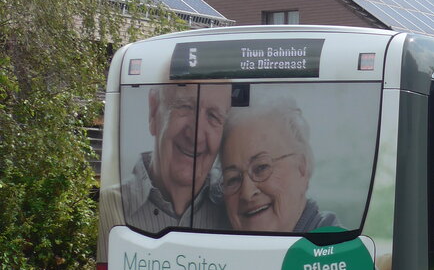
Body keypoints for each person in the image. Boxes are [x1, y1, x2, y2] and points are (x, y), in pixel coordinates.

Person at [102, 83, 232, 239]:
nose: (196, 137)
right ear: (154, 111)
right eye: (185, 107)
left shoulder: (233, 211)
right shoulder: (113, 206)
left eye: (213, 116)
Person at [218, 97, 339, 233]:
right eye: (233, 179)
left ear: (301, 168)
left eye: (261, 167)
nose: (247, 193)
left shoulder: (338, 250)